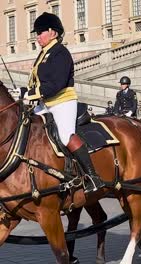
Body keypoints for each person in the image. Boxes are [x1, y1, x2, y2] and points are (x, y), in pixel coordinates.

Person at [25, 12, 104, 193]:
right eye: (36, 33)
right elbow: (36, 82)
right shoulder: (43, 54)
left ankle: (93, 176)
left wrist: (32, 94)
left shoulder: (60, 52)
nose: (37, 37)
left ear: (52, 32)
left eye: (40, 32)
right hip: (45, 103)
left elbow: (57, 84)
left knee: (66, 135)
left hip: (62, 101)